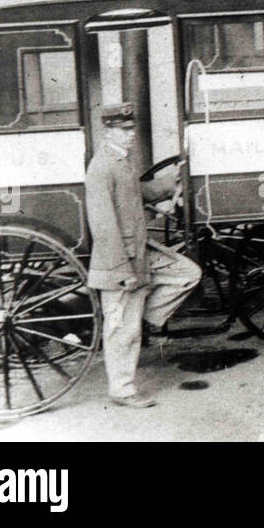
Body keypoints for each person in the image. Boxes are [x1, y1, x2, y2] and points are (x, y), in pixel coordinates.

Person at [84, 102, 201, 408]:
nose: (131, 134)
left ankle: (148, 319)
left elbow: (139, 192)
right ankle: (122, 390)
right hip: (119, 261)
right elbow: (103, 226)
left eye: (132, 128)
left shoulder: (121, 161)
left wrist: (172, 178)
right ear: (108, 131)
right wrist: (122, 272)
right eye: (124, 130)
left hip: (140, 252)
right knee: (122, 330)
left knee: (186, 274)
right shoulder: (101, 168)